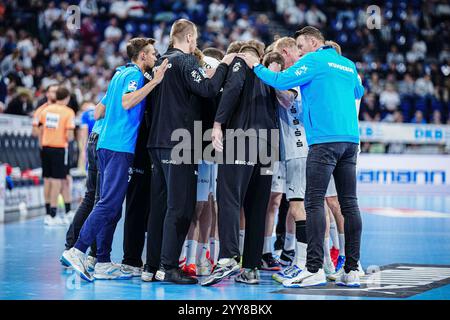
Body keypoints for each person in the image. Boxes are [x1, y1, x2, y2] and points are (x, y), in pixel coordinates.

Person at [242, 26, 364, 288]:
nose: (298, 51)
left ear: (311, 42)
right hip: (350, 140)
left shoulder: (313, 59)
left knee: (313, 203)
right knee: (350, 204)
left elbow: (279, 82)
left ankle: (314, 268)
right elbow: (358, 93)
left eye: (300, 46)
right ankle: (352, 269)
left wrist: (255, 66)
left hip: (323, 140)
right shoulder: (347, 64)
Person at [61, 37, 168, 282]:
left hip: (103, 144)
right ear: (142, 56)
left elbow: (98, 111)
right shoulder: (136, 77)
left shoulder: (118, 74)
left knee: (107, 204)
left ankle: (103, 262)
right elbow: (127, 101)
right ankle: (77, 250)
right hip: (120, 147)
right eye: (152, 54)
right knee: (108, 204)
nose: (154, 58)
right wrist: (156, 82)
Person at [142, 19, 236, 285]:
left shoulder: (160, 62)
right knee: (180, 207)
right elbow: (206, 89)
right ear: (189, 37)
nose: (195, 43)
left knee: (159, 206)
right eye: (194, 39)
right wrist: (225, 65)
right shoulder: (185, 61)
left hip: (156, 142)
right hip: (179, 144)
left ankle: (151, 266)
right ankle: (169, 267)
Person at [201, 43, 278, 286]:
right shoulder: (269, 74)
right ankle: (252, 267)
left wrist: (217, 124)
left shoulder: (240, 63)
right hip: (269, 146)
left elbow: (233, 89)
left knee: (229, 198)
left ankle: (227, 257)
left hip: (242, 138)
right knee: (257, 206)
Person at [38, 86, 75, 226]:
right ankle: (53, 214)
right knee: (57, 181)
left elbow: (41, 129)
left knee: (47, 180)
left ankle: (47, 213)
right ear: (66, 98)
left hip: (45, 147)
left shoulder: (45, 110)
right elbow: (69, 135)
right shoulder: (68, 112)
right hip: (59, 148)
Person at [32, 83, 58, 221]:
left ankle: (56, 211)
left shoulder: (63, 110)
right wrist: (43, 130)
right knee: (48, 180)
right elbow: (34, 130)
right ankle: (48, 212)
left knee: (59, 181)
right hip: (46, 149)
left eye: (56, 92)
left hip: (61, 149)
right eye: (52, 91)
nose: (54, 94)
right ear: (47, 94)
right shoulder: (41, 111)